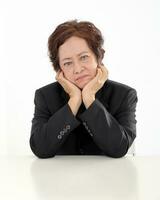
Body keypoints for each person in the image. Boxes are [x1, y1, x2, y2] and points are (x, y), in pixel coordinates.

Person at [29, 19, 138, 158]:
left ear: (99, 57)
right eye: (68, 63)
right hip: (59, 177)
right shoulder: (45, 96)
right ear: (59, 69)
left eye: (84, 57)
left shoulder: (124, 95)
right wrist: (74, 100)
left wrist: (89, 98)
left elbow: (119, 148)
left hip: (108, 177)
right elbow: (40, 148)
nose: (78, 69)